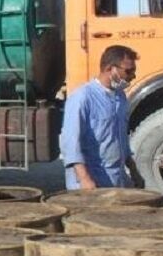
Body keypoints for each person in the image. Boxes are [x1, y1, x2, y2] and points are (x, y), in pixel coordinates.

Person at [61, 45, 145, 190]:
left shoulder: (120, 97)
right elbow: (70, 144)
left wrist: (133, 170)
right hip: (90, 184)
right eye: (128, 71)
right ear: (110, 69)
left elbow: (121, 139)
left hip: (115, 181)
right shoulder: (82, 98)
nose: (133, 76)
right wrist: (84, 179)